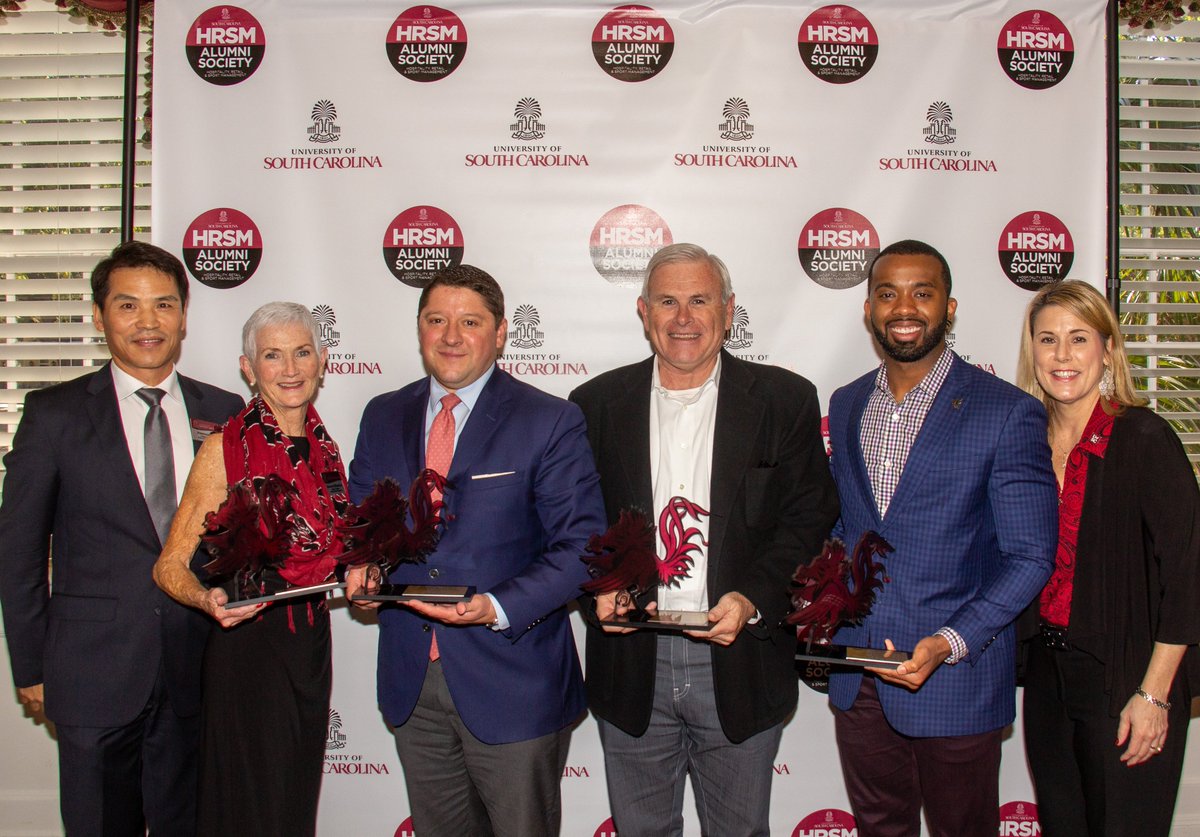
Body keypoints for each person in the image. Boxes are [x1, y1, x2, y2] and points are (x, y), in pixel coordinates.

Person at [569, 242, 840, 837]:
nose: (683, 317)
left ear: (729, 309)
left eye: (699, 300)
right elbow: (576, 523)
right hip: (633, 661)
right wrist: (602, 588)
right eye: (668, 301)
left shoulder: (784, 401)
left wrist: (751, 597)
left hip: (740, 660)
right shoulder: (594, 405)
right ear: (644, 312)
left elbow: (807, 519)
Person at [345, 264, 605, 837]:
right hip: (413, 681)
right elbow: (363, 526)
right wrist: (360, 564)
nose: (452, 336)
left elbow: (581, 546)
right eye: (437, 320)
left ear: (501, 331)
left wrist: (498, 606)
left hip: (514, 678)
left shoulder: (550, 419)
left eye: (470, 321)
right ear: (419, 330)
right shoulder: (382, 415)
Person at [0, 241, 243, 836]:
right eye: (128, 306)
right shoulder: (54, 414)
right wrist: (31, 666)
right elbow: (19, 551)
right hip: (90, 672)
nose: (148, 322)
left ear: (184, 315)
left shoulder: (228, 411)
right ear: (100, 315)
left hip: (200, 668)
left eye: (163, 305)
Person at [825, 239, 1058, 837]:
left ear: (950, 308)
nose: (904, 307)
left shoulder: (1006, 411)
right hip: (861, 677)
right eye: (887, 293)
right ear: (869, 311)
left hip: (958, 675)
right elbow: (848, 527)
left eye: (922, 293)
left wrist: (952, 641)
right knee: (880, 828)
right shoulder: (847, 403)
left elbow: (1031, 554)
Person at [153, 301, 347, 837]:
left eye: (302, 353)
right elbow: (169, 566)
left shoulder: (326, 449)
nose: (290, 369)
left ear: (322, 360)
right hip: (248, 649)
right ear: (248, 368)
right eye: (272, 356)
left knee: (293, 803)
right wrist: (204, 599)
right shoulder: (223, 449)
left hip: (309, 643)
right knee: (249, 808)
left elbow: (333, 551)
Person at [1015, 280, 1200, 836]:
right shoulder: (1024, 444)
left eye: (1079, 338)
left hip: (1128, 677)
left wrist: (1153, 695)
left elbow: (1189, 575)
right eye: (1048, 339)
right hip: (1047, 679)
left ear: (1108, 349)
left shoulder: (1145, 439)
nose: (1063, 355)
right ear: (1032, 352)